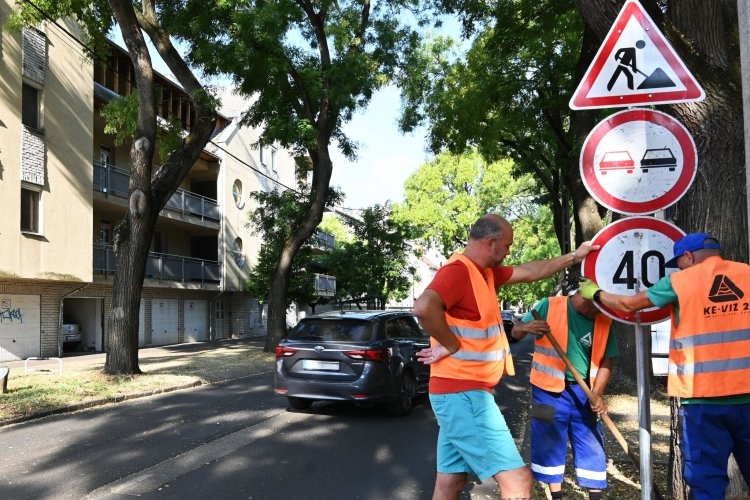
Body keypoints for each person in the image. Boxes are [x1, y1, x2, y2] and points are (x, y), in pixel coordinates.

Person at [413, 213, 599, 500]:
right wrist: (449, 344)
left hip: (459, 394)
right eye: (508, 245)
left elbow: (532, 270)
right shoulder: (458, 272)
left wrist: (576, 256)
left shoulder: (484, 273)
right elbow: (424, 308)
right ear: (490, 242)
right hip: (463, 394)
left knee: (450, 481)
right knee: (518, 479)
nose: (509, 251)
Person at [579, 232, 750, 499]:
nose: (677, 267)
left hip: (702, 401)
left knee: (707, 486)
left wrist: (595, 293)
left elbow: (629, 304)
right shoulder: (747, 273)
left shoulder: (681, 281)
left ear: (689, 256)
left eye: (678, 261)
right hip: (747, 398)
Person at [511, 288, 618, 500]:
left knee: (592, 445)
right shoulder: (549, 305)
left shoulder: (605, 317)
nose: (600, 313)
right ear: (588, 299)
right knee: (549, 444)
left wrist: (597, 393)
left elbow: (608, 358)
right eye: (598, 308)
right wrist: (526, 327)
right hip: (546, 391)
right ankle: (556, 496)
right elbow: (515, 332)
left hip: (584, 393)